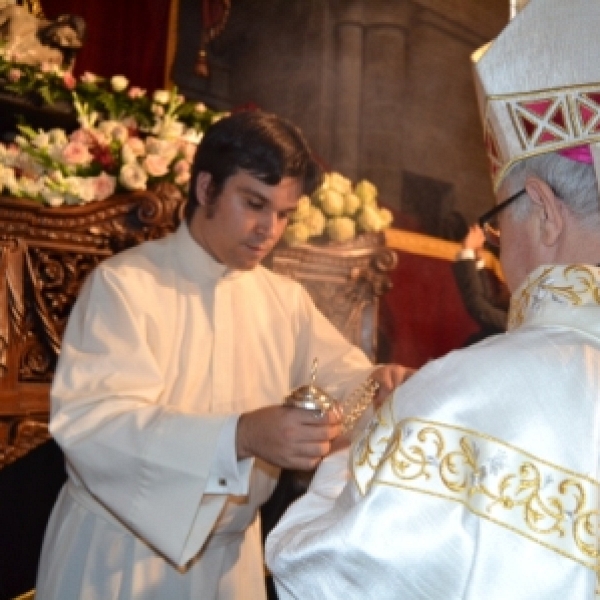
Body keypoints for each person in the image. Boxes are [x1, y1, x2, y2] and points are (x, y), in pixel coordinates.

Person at [266, 1, 600, 598]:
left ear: (545, 212)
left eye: (499, 223)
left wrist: (366, 446)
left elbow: (320, 574)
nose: (501, 249)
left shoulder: (463, 400)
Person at [34, 110, 409, 600]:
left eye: (284, 214)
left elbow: (342, 377)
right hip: (121, 560)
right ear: (206, 188)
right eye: (254, 204)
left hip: (231, 567)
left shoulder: (285, 301)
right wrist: (242, 435)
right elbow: (93, 426)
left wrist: (379, 386)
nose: (268, 230)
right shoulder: (125, 285)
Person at [451, 223, 509, 344]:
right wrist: (477, 259)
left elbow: (479, 306)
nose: (503, 284)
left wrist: (467, 250)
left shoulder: (516, 322)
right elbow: (487, 302)